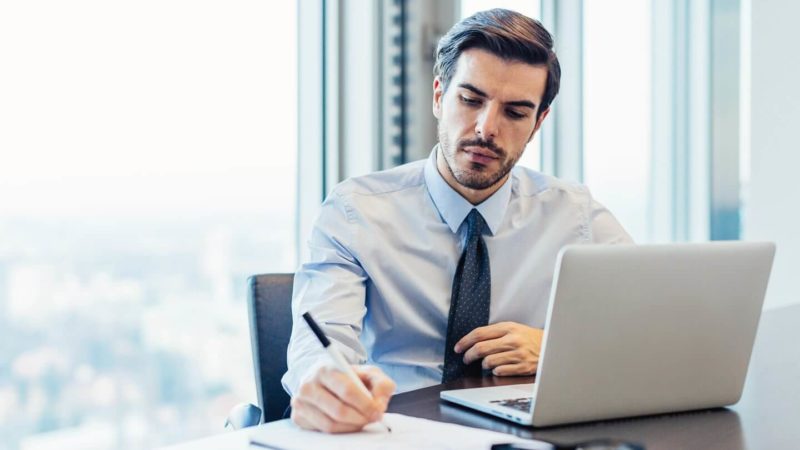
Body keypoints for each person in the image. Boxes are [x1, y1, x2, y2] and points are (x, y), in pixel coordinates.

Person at [282, 8, 632, 433]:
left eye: (515, 113)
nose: (487, 129)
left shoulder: (574, 215)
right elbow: (319, 342)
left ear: (538, 123)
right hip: (395, 429)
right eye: (470, 100)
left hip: (524, 433)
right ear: (438, 96)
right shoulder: (356, 211)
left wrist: (558, 348)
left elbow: (648, 325)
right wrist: (326, 382)